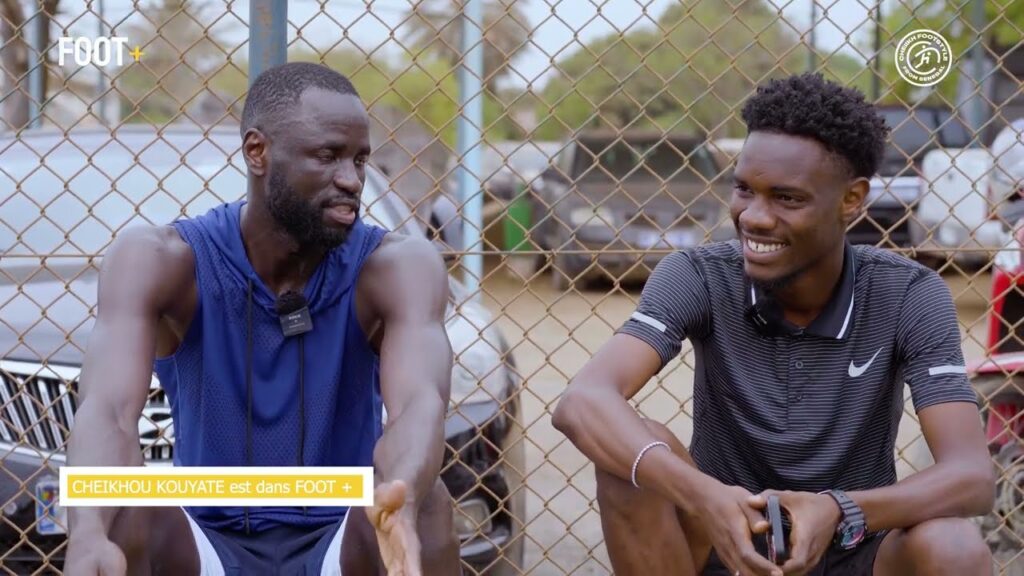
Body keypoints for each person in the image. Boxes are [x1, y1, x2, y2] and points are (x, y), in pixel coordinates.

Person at [553, 73, 996, 576]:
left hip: (855, 548)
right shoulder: (698, 274)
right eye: (744, 189)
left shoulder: (907, 294)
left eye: (786, 198)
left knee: (953, 546)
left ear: (851, 200)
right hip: (722, 542)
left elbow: (971, 477)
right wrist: (709, 499)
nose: (754, 218)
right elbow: (583, 401)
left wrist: (838, 509)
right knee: (629, 455)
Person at [63, 62, 461, 576]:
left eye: (360, 160)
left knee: (424, 501)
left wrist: (400, 499)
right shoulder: (163, 259)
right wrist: (88, 532)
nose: (352, 180)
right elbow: (108, 410)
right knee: (116, 503)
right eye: (328, 156)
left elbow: (419, 405)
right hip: (205, 533)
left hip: (342, 532)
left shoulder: (396, 265)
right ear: (258, 152)